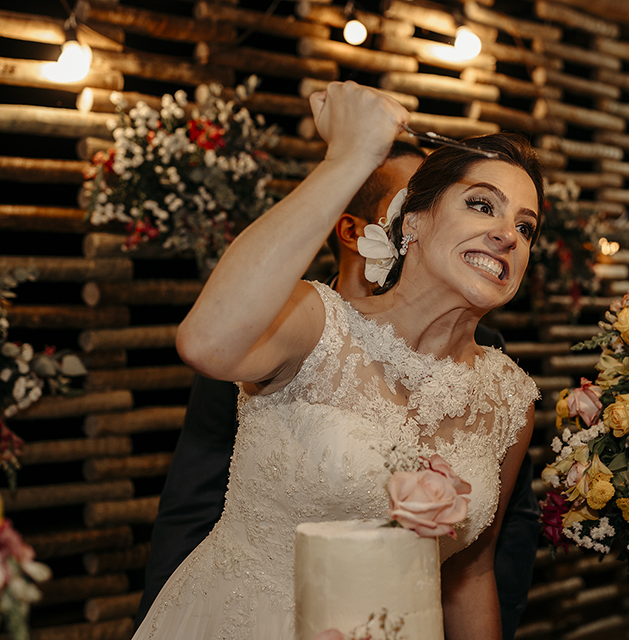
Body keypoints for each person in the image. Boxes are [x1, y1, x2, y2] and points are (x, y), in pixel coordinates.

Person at [134, 81, 543, 640]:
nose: (507, 236)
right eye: (481, 205)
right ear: (412, 222)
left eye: (525, 227)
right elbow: (205, 343)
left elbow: (469, 576)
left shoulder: (511, 400)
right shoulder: (315, 323)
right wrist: (349, 157)